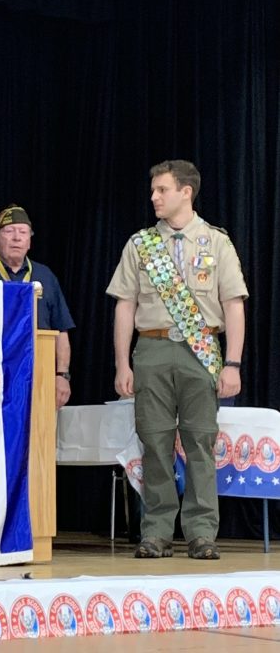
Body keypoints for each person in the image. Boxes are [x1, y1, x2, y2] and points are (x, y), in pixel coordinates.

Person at [106, 159, 248, 560]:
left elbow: (233, 304)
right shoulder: (141, 244)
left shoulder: (216, 242)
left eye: (162, 190)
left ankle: (201, 532)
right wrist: (122, 364)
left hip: (201, 351)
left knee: (200, 442)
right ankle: (156, 531)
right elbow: (125, 306)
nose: (154, 197)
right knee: (154, 442)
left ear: (186, 192)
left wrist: (233, 364)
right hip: (152, 349)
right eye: (153, 190)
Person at [0, 204, 75, 408]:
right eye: (9, 231)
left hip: (37, 377)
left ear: (29, 240)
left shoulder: (46, 276)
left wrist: (62, 375)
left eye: (23, 232)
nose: (16, 238)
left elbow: (61, 330)